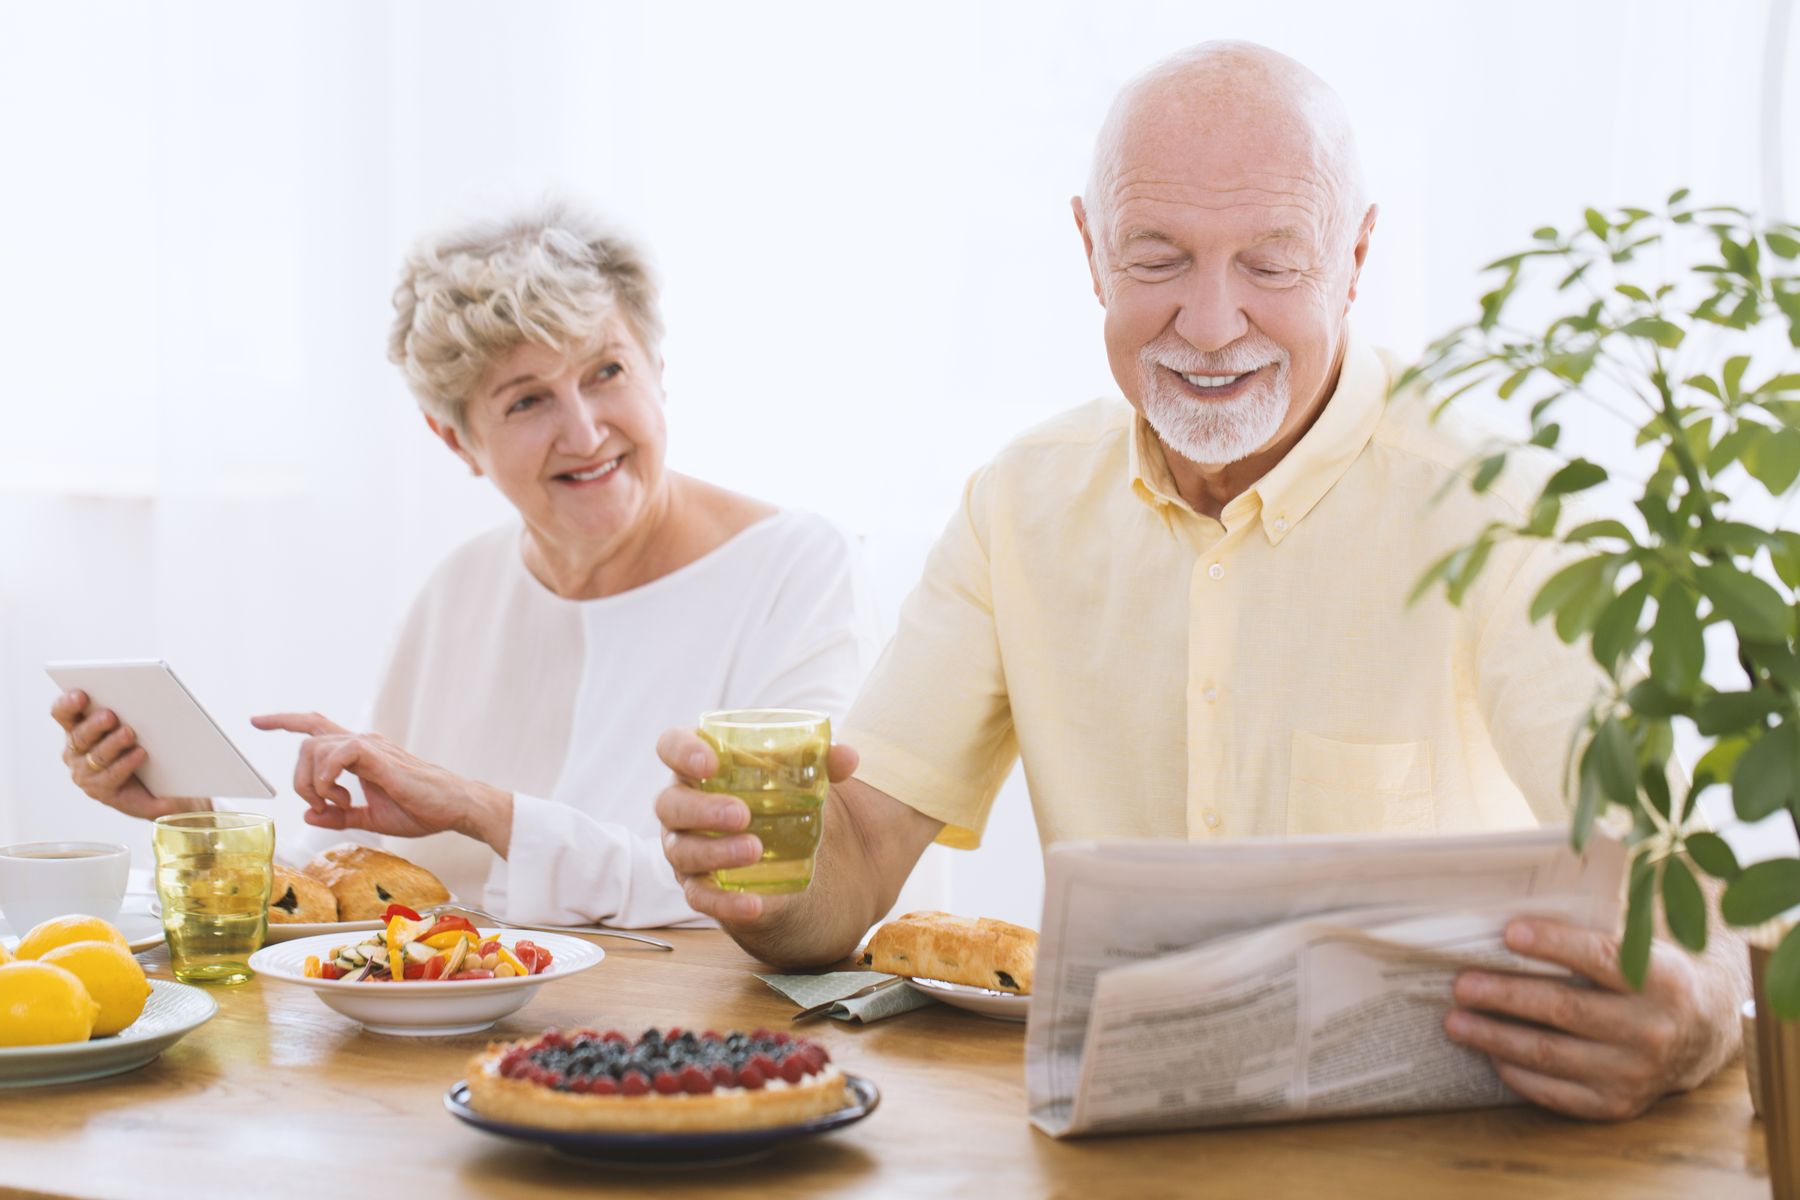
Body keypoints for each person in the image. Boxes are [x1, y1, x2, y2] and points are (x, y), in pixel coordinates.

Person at [653, 43, 1745, 1117]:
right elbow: (857, 861)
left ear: (1357, 259)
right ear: (1090, 251)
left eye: (1271, 263)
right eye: (1158, 259)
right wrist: (758, 872)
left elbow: (1677, 877)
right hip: (1104, 1154)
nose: (1213, 325)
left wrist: (1697, 1010)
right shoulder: (1017, 505)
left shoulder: (1500, 512)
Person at [52, 201, 879, 928]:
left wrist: (486, 812)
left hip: (706, 1043)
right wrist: (190, 817)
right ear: (456, 439)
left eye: (607, 372)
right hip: (461, 1052)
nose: (586, 432)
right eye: (527, 400)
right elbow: (358, 886)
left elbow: (783, 889)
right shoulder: (461, 591)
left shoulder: (794, 568)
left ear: (659, 373)